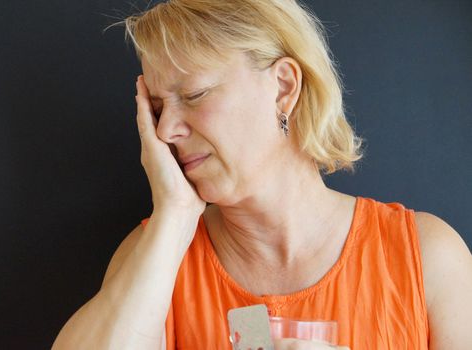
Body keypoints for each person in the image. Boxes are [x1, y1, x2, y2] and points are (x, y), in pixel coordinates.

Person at [52, 0, 472, 349]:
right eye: (158, 109)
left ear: (284, 87)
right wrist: (175, 216)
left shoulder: (426, 259)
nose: (165, 131)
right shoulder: (156, 257)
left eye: (194, 94)